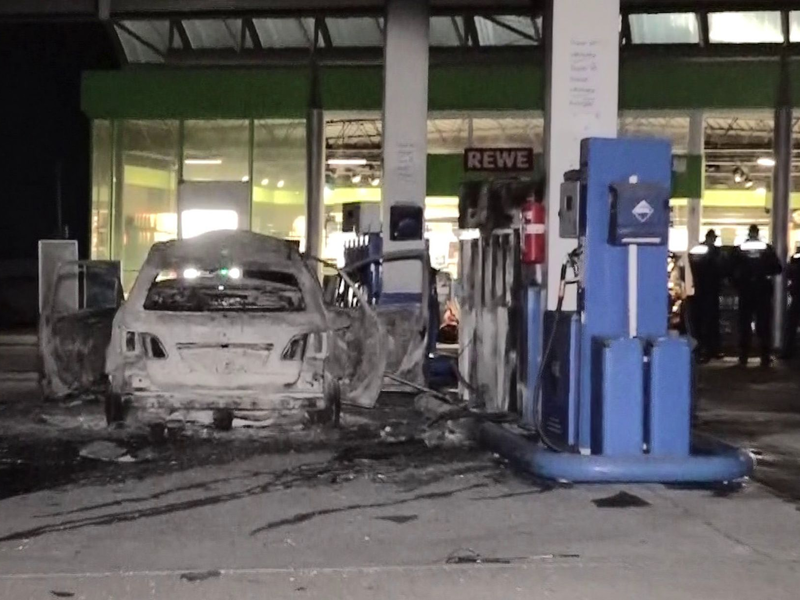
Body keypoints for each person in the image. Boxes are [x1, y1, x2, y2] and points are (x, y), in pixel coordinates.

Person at [731, 225, 782, 367]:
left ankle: (743, 356)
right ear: (758, 233)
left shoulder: (740, 249)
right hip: (762, 290)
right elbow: (777, 268)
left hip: (745, 290)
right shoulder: (767, 249)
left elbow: (730, 269)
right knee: (764, 324)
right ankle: (765, 356)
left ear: (749, 233)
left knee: (744, 323)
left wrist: (738, 283)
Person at [687, 229, 723, 362]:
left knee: (702, 321)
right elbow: (721, 268)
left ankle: (704, 349)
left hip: (700, 290)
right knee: (710, 322)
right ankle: (711, 349)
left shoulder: (698, 250)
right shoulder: (715, 252)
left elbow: (692, 263)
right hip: (710, 290)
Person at [784, 244, 800, 358]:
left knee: (791, 325)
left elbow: (789, 273)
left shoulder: (796, 258)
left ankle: (788, 351)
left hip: (797, 295)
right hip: (797, 294)